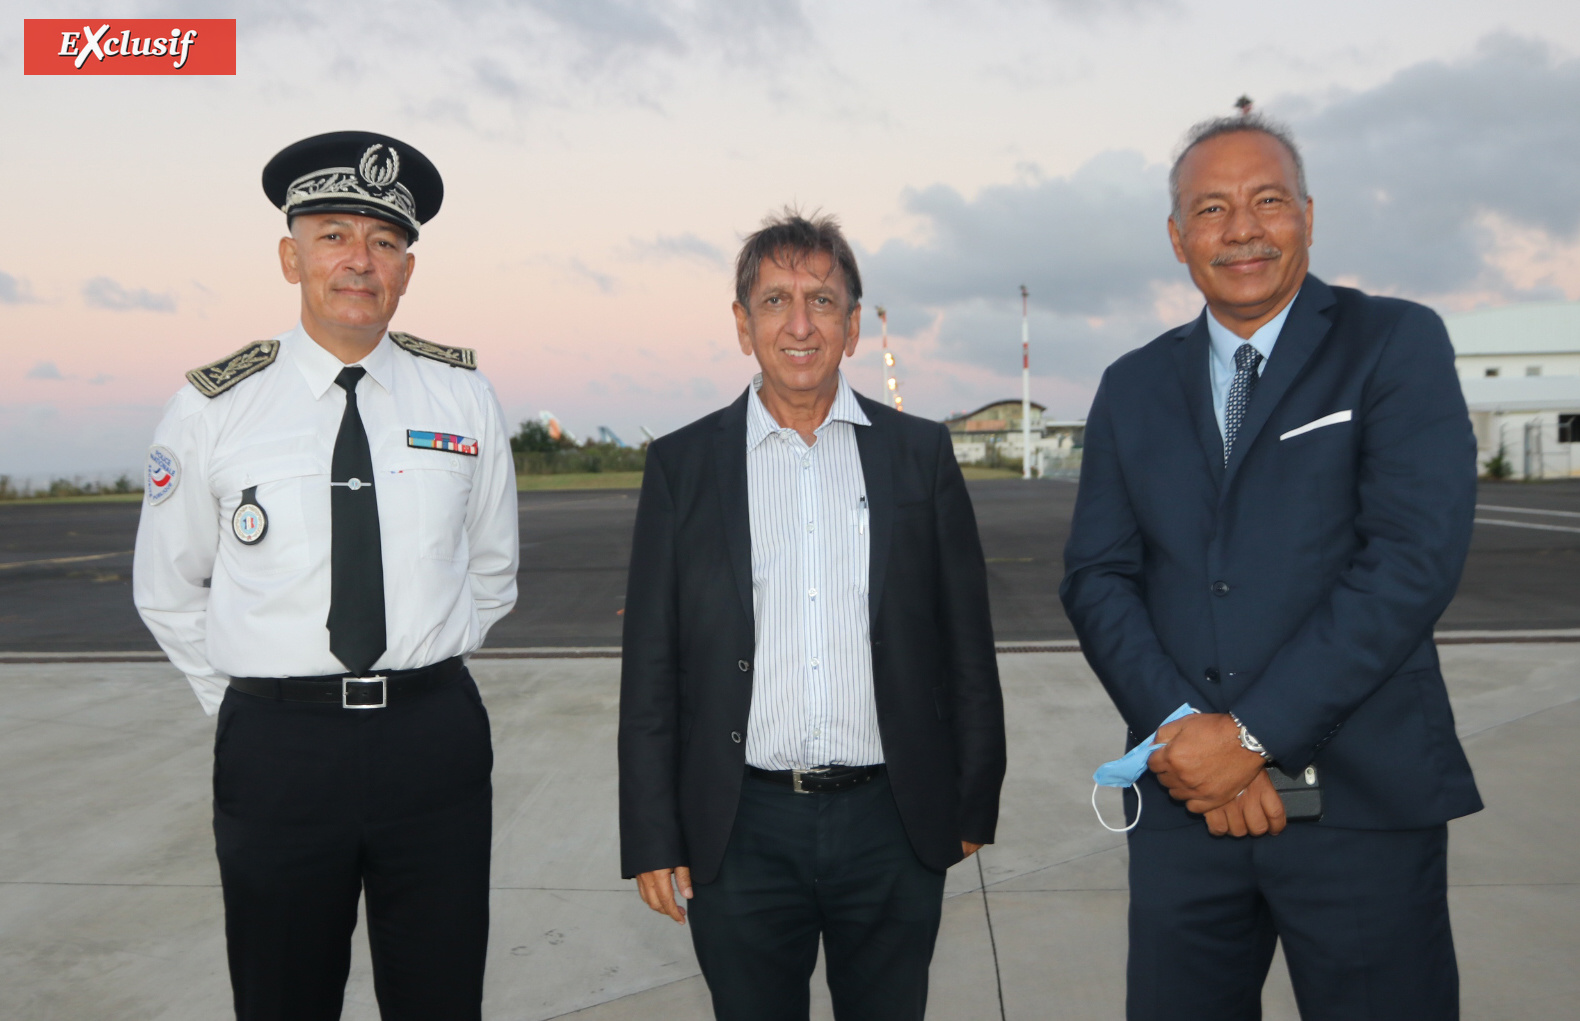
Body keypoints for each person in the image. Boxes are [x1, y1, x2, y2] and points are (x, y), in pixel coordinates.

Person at [1060, 113, 1482, 1020]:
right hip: (1186, 816)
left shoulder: (1393, 343)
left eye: (1267, 201)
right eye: (1211, 208)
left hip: (1361, 808)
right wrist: (1187, 735)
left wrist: (1249, 735)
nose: (1242, 228)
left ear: (1310, 216)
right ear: (1178, 238)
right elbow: (1096, 574)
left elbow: (1411, 558)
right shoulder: (1130, 385)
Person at [132, 130, 519, 1020]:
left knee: (441, 994)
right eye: (335, 234)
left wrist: (421, 661)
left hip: (433, 741)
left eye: (385, 241)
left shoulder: (462, 396)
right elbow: (168, 585)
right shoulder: (214, 407)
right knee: (282, 996)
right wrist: (251, 700)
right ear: (289, 255)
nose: (359, 260)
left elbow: (491, 570)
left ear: (408, 271)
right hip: (279, 753)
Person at [618, 210, 1006, 1021]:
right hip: (740, 828)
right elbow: (652, 668)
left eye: (823, 301)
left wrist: (971, 803)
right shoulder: (682, 468)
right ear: (741, 323)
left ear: (854, 325)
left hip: (891, 824)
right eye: (775, 301)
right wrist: (654, 834)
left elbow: (967, 645)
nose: (800, 325)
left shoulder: (919, 456)